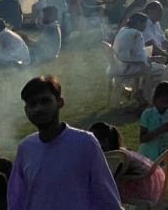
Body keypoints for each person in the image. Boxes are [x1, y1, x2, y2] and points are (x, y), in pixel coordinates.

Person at [8, 76, 122, 209]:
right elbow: (16, 199)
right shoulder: (26, 148)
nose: (38, 108)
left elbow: (106, 195)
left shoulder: (84, 143)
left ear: (60, 102)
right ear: (26, 111)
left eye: (45, 101)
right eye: (32, 104)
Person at [89, 121, 165, 208]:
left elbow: (109, 180)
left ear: (105, 141)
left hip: (146, 191)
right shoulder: (121, 151)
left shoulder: (114, 157)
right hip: (157, 184)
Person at [138, 81, 168, 161]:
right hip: (149, 154)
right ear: (156, 98)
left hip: (166, 152)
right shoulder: (147, 114)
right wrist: (162, 129)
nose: (165, 104)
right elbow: (142, 139)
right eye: (163, 100)